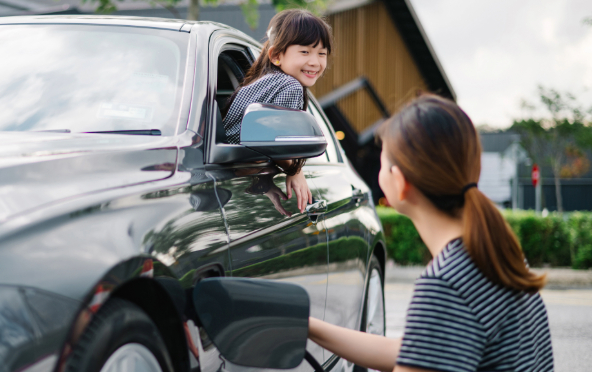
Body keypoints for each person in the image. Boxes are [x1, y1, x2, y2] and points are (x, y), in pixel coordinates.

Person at [308, 95, 554, 372]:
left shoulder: (446, 284)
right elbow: (415, 351)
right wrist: (305, 324)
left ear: (399, 182)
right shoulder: (495, 254)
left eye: (383, 160)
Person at [223, 9, 333, 213]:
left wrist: (264, 182)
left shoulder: (266, 82)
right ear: (275, 56)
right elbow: (277, 143)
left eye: (322, 53)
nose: (315, 62)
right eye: (305, 52)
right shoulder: (290, 86)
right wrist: (294, 169)